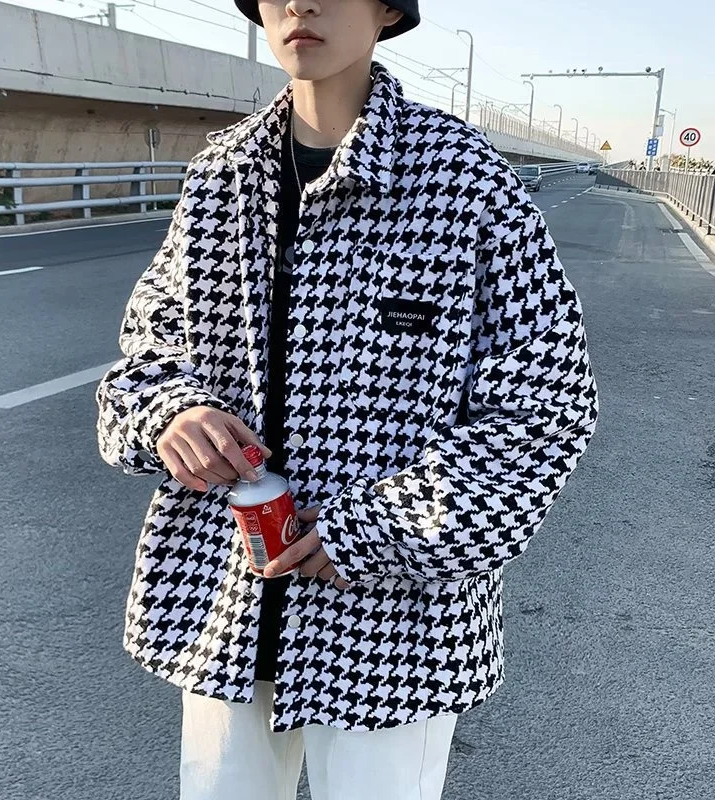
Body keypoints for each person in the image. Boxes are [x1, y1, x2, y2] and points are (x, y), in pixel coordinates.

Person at [95, 1, 599, 798]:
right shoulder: (222, 175)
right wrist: (171, 414)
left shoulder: (463, 182)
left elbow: (545, 409)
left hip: (393, 622)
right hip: (227, 598)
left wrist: (378, 529)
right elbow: (147, 353)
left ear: (388, 8)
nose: (300, 3)